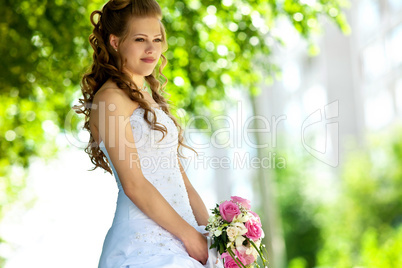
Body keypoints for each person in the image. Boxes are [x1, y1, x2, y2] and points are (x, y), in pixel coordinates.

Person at [73, 0, 223, 267]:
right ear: (116, 42)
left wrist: (217, 239)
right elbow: (134, 184)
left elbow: (182, 182)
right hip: (145, 244)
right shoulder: (109, 99)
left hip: (183, 233)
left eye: (157, 39)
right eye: (140, 39)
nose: (152, 48)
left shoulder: (150, 97)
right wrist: (191, 238)